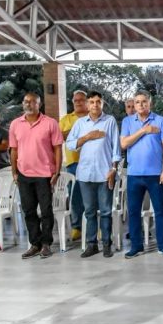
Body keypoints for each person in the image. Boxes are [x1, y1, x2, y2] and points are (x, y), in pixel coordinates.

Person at [66, 91, 121, 258]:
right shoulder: (81, 123)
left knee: (105, 211)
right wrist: (87, 137)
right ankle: (91, 245)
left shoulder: (110, 121)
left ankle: (106, 244)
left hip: (105, 174)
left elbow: (116, 149)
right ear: (87, 105)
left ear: (102, 103)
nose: (95, 105)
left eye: (98, 102)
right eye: (92, 102)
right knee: (89, 211)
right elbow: (69, 144)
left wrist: (113, 170)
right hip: (84, 174)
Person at [9, 92, 63, 260]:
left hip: (45, 174)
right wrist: (14, 171)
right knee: (29, 211)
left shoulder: (50, 123)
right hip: (24, 174)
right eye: (26, 101)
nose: (29, 104)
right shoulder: (15, 124)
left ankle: (46, 243)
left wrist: (57, 171)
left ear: (39, 104)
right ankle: (35, 244)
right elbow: (14, 150)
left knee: (46, 210)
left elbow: (57, 149)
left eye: (33, 102)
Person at [120, 90, 163, 258]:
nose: (141, 105)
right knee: (134, 212)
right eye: (137, 102)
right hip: (134, 174)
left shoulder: (160, 121)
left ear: (150, 103)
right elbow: (124, 144)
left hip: (155, 175)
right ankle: (136, 246)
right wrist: (144, 130)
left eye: (144, 101)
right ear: (134, 105)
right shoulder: (127, 121)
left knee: (160, 211)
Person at [59, 90, 88, 243]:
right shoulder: (66, 119)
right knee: (75, 196)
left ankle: (93, 226)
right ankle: (77, 226)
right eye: (75, 100)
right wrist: (79, 129)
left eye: (81, 100)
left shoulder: (94, 116)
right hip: (73, 163)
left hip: (91, 162)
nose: (78, 102)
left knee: (92, 195)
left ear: (86, 101)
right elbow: (61, 136)